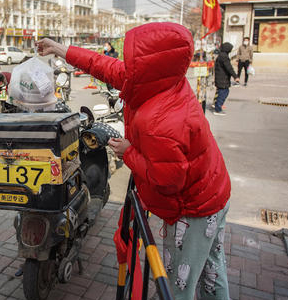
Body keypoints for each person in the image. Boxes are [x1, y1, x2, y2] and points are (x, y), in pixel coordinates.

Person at [37, 22, 231, 300]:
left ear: (150, 65)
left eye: (132, 60)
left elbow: (168, 181)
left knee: (176, 286)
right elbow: (103, 65)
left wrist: (128, 152)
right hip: (213, 189)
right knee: (212, 272)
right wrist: (59, 49)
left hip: (194, 209)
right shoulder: (161, 80)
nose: (125, 65)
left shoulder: (161, 120)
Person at [213, 42, 240, 116]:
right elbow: (229, 68)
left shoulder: (221, 55)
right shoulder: (224, 57)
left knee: (220, 92)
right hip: (222, 79)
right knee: (224, 92)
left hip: (221, 78)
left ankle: (216, 105)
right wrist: (235, 76)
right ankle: (218, 109)